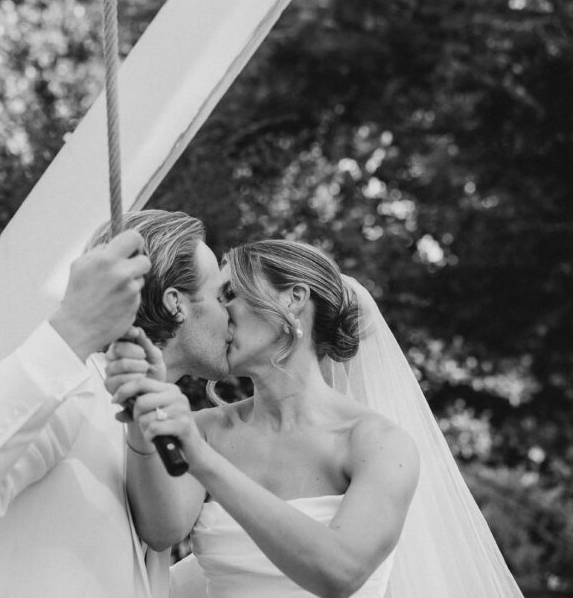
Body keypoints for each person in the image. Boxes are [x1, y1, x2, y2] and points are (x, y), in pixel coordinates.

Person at [108, 239, 522, 597]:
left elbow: (340, 573)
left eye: (230, 293)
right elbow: (161, 532)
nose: (221, 313)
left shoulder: (376, 443)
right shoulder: (206, 430)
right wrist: (137, 408)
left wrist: (203, 460)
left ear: (294, 298)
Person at [0, 210, 230, 598]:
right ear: (176, 302)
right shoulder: (72, 390)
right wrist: (70, 328)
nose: (233, 313)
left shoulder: (161, 420)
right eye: (222, 295)